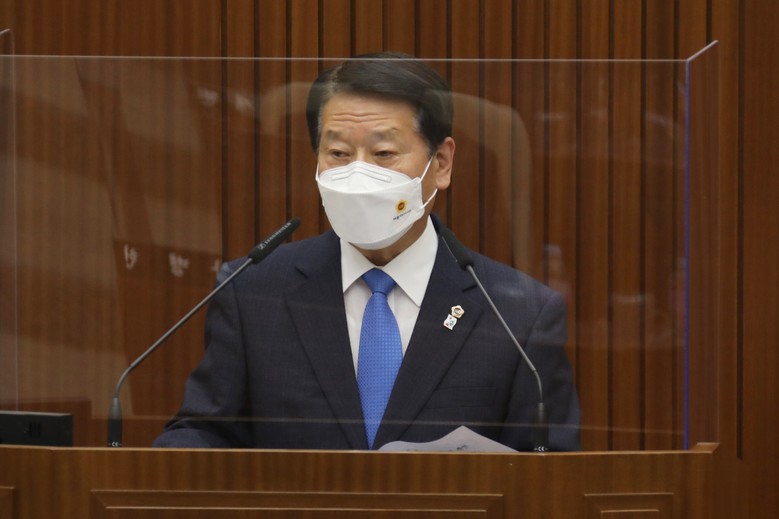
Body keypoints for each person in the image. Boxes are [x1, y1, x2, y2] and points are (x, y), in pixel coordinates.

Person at [153, 52, 580, 451]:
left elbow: (548, 477)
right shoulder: (254, 291)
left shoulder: (518, 316)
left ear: (441, 163)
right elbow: (202, 435)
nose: (359, 174)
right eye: (338, 153)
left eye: (383, 153)